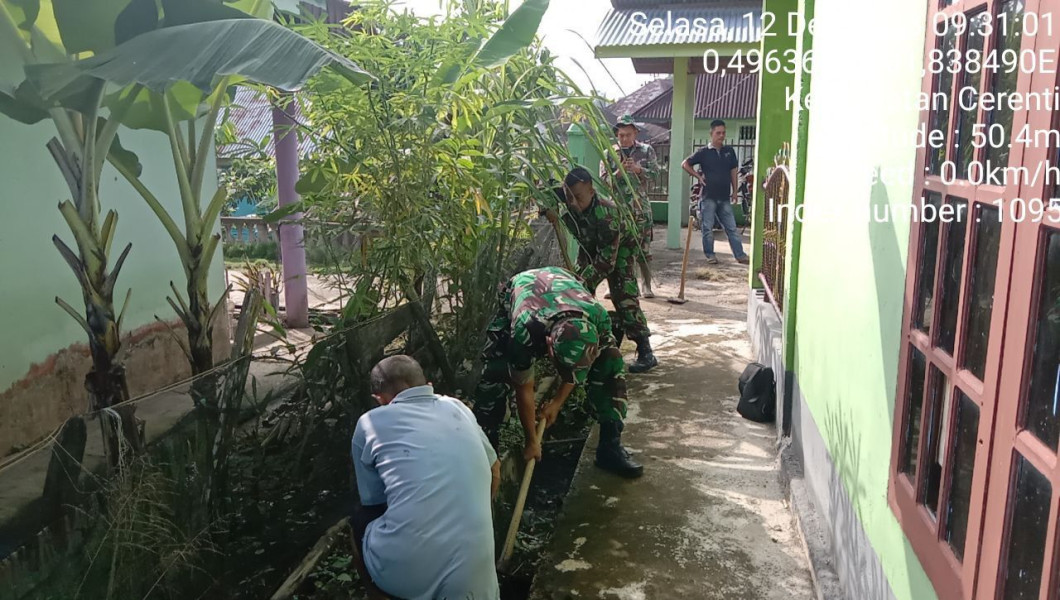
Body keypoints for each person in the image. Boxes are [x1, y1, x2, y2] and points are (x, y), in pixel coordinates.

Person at [471, 266, 644, 478]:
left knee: (611, 360)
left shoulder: (597, 317)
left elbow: (576, 366)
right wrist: (531, 440)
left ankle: (610, 447)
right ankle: (488, 459)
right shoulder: (526, 329)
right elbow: (524, 388)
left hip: (564, 282)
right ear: (549, 345)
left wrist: (555, 403)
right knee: (494, 378)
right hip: (524, 289)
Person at [351, 355, 501, 600]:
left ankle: (379, 595)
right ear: (428, 385)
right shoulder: (457, 407)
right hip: (477, 582)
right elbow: (495, 469)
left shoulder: (369, 423)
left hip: (407, 578)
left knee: (359, 520)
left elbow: (373, 503)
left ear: (379, 400)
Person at [547, 167, 658, 373]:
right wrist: (548, 207)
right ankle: (598, 336)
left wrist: (582, 280)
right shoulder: (571, 196)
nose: (573, 203)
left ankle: (645, 351)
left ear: (591, 191)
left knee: (623, 294)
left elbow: (607, 262)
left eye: (578, 198)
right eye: (569, 197)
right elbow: (546, 192)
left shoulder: (608, 214)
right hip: (590, 246)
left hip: (621, 247)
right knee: (579, 293)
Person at [601, 114, 658, 298]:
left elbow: (656, 175)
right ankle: (613, 286)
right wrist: (618, 172)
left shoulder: (647, 151)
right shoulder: (609, 153)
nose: (624, 138)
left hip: (640, 208)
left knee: (644, 249)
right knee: (615, 250)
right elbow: (602, 181)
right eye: (621, 135)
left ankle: (646, 286)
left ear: (635, 133)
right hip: (618, 209)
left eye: (628, 134)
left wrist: (638, 170)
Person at [681, 119, 750, 265]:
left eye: (723, 133)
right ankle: (710, 255)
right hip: (708, 196)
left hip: (724, 196)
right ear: (711, 134)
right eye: (718, 133)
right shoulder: (703, 152)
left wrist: (734, 191)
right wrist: (698, 176)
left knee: (732, 228)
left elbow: (733, 171)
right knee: (707, 228)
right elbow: (685, 164)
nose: (721, 135)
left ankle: (740, 255)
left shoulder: (729, 151)